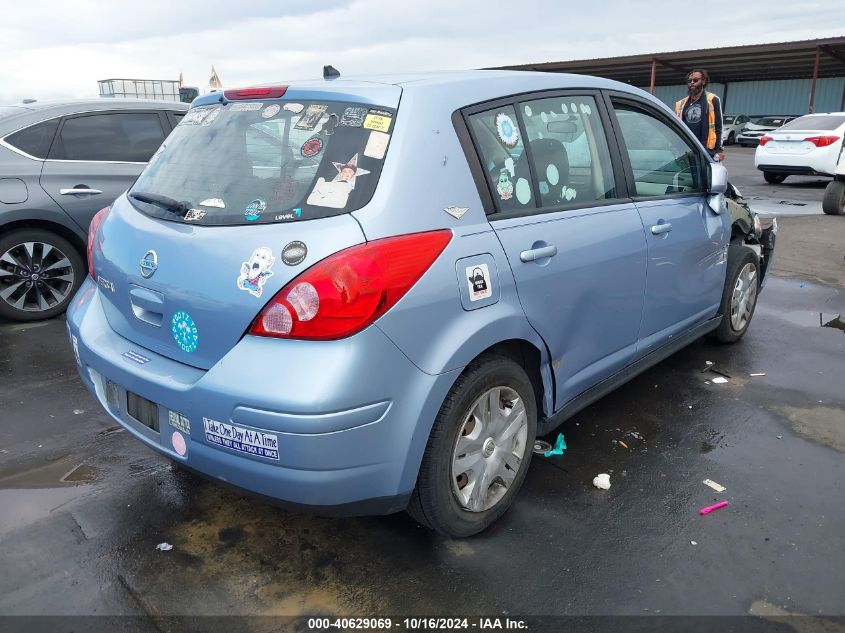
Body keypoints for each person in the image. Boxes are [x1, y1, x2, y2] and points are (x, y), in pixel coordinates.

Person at [675, 69, 725, 161]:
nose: (692, 83)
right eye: (689, 81)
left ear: (703, 81)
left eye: (695, 80)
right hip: (686, 150)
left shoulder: (712, 100)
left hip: (707, 150)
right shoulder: (681, 104)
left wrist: (719, 149)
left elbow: (718, 126)